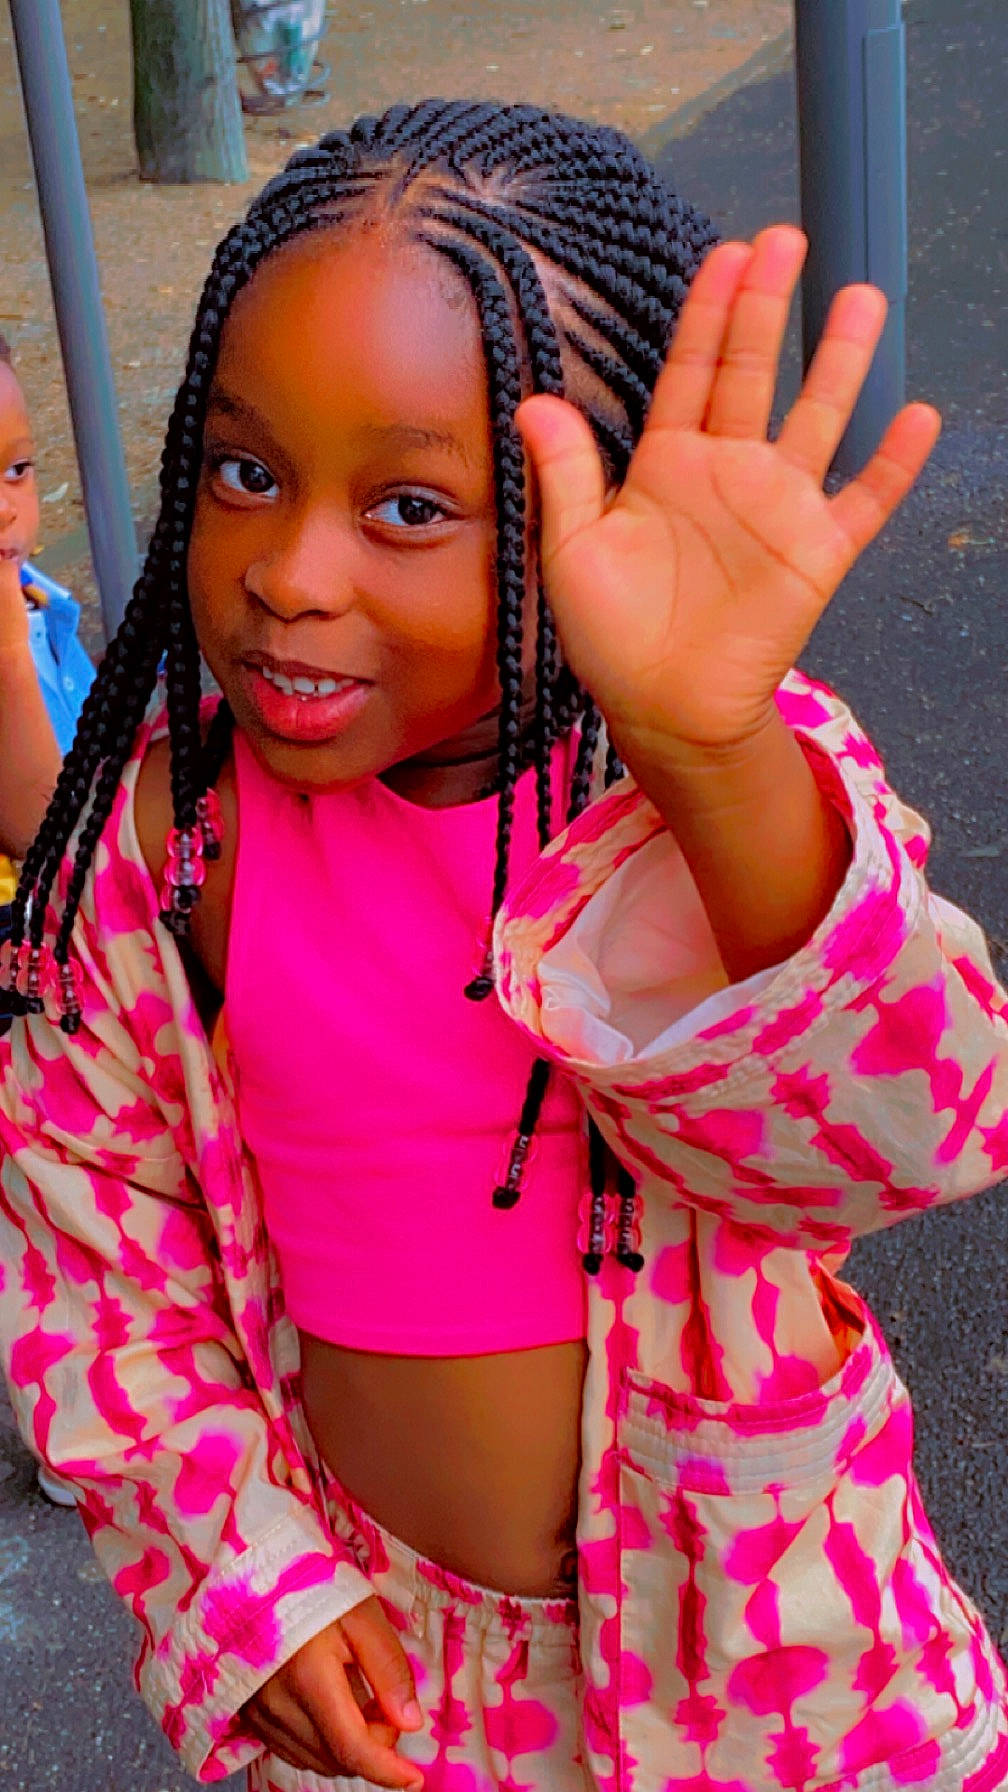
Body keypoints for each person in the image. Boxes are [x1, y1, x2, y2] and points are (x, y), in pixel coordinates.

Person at [0, 101, 1005, 1792]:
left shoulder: (696, 792)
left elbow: (914, 1126)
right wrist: (244, 1585)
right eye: (245, 471)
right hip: (377, 1680)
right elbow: (97, 1272)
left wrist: (715, 757)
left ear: (586, 510)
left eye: (408, 504)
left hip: (761, 1659)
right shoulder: (165, 849)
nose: (290, 574)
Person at [0, 331, 93, 1508]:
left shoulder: (34, 597)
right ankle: (60, 1428)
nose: (6, 507)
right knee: (33, 1214)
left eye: (16, 470)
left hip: (46, 952)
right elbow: (36, 811)